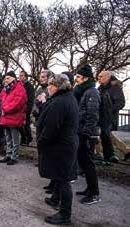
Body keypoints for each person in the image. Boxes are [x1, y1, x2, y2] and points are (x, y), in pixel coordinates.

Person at [37, 74, 79, 225]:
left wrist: (42, 141)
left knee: (64, 179)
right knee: (60, 175)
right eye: (49, 84)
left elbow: (51, 127)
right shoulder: (67, 97)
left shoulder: (60, 102)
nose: (48, 87)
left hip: (60, 145)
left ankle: (64, 214)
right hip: (66, 143)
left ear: (59, 87)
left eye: (52, 85)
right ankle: (55, 199)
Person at [73, 64, 101, 205]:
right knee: (84, 162)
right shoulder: (82, 91)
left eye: (78, 77)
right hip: (80, 131)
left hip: (86, 134)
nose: (76, 79)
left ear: (85, 78)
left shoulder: (92, 92)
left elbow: (92, 116)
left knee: (88, 163)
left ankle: (94, 193)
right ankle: (89, 189)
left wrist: (86, 134)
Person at [0, 71, 27, 165]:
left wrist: (5, 109)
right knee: (8, 138)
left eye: (7, 78)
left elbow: (18, 103)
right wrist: (2, 109)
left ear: (13, 78)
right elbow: (0, 100)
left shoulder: (19, 88)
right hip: (5, 117)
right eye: (5, 78)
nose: (5, 80)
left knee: (15, 138)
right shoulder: (5, 89)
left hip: (14, 117)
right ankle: (8, 154)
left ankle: (14, 157)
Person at [97, 71, 125, 163]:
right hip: (100, 116)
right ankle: (107, 156)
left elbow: (121, 102)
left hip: (109, 117)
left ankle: (109, 156)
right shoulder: (100, 88)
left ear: (108, 77)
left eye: (101, 76)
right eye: (98, 76)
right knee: (103, 135)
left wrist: (109, 110)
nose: (99, 78)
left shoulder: (115, 88)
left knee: (106, 135)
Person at [18, 71, 35, 145]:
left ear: (26, 77)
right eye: (19, 75)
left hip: (26, 109)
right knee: (20, 125)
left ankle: (29, 139)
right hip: (19, 109)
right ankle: (23, 138)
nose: (20, 77)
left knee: (26, 125)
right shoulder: (19, 85)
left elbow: (31, 99)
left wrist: (28, 110)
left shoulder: (29, 86)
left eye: (22, 75)